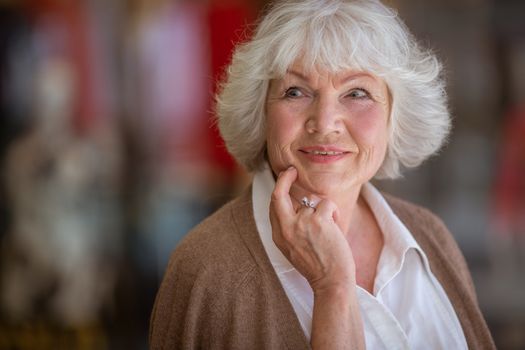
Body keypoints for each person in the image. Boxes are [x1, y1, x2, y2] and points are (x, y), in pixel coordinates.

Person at [150, 0, 495, 348]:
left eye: (357, 93)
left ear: (395, 116)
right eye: (295, 91)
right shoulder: (206, 270)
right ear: (261, 113)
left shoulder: (429, 237)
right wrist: (333, 288)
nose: (325, 122)